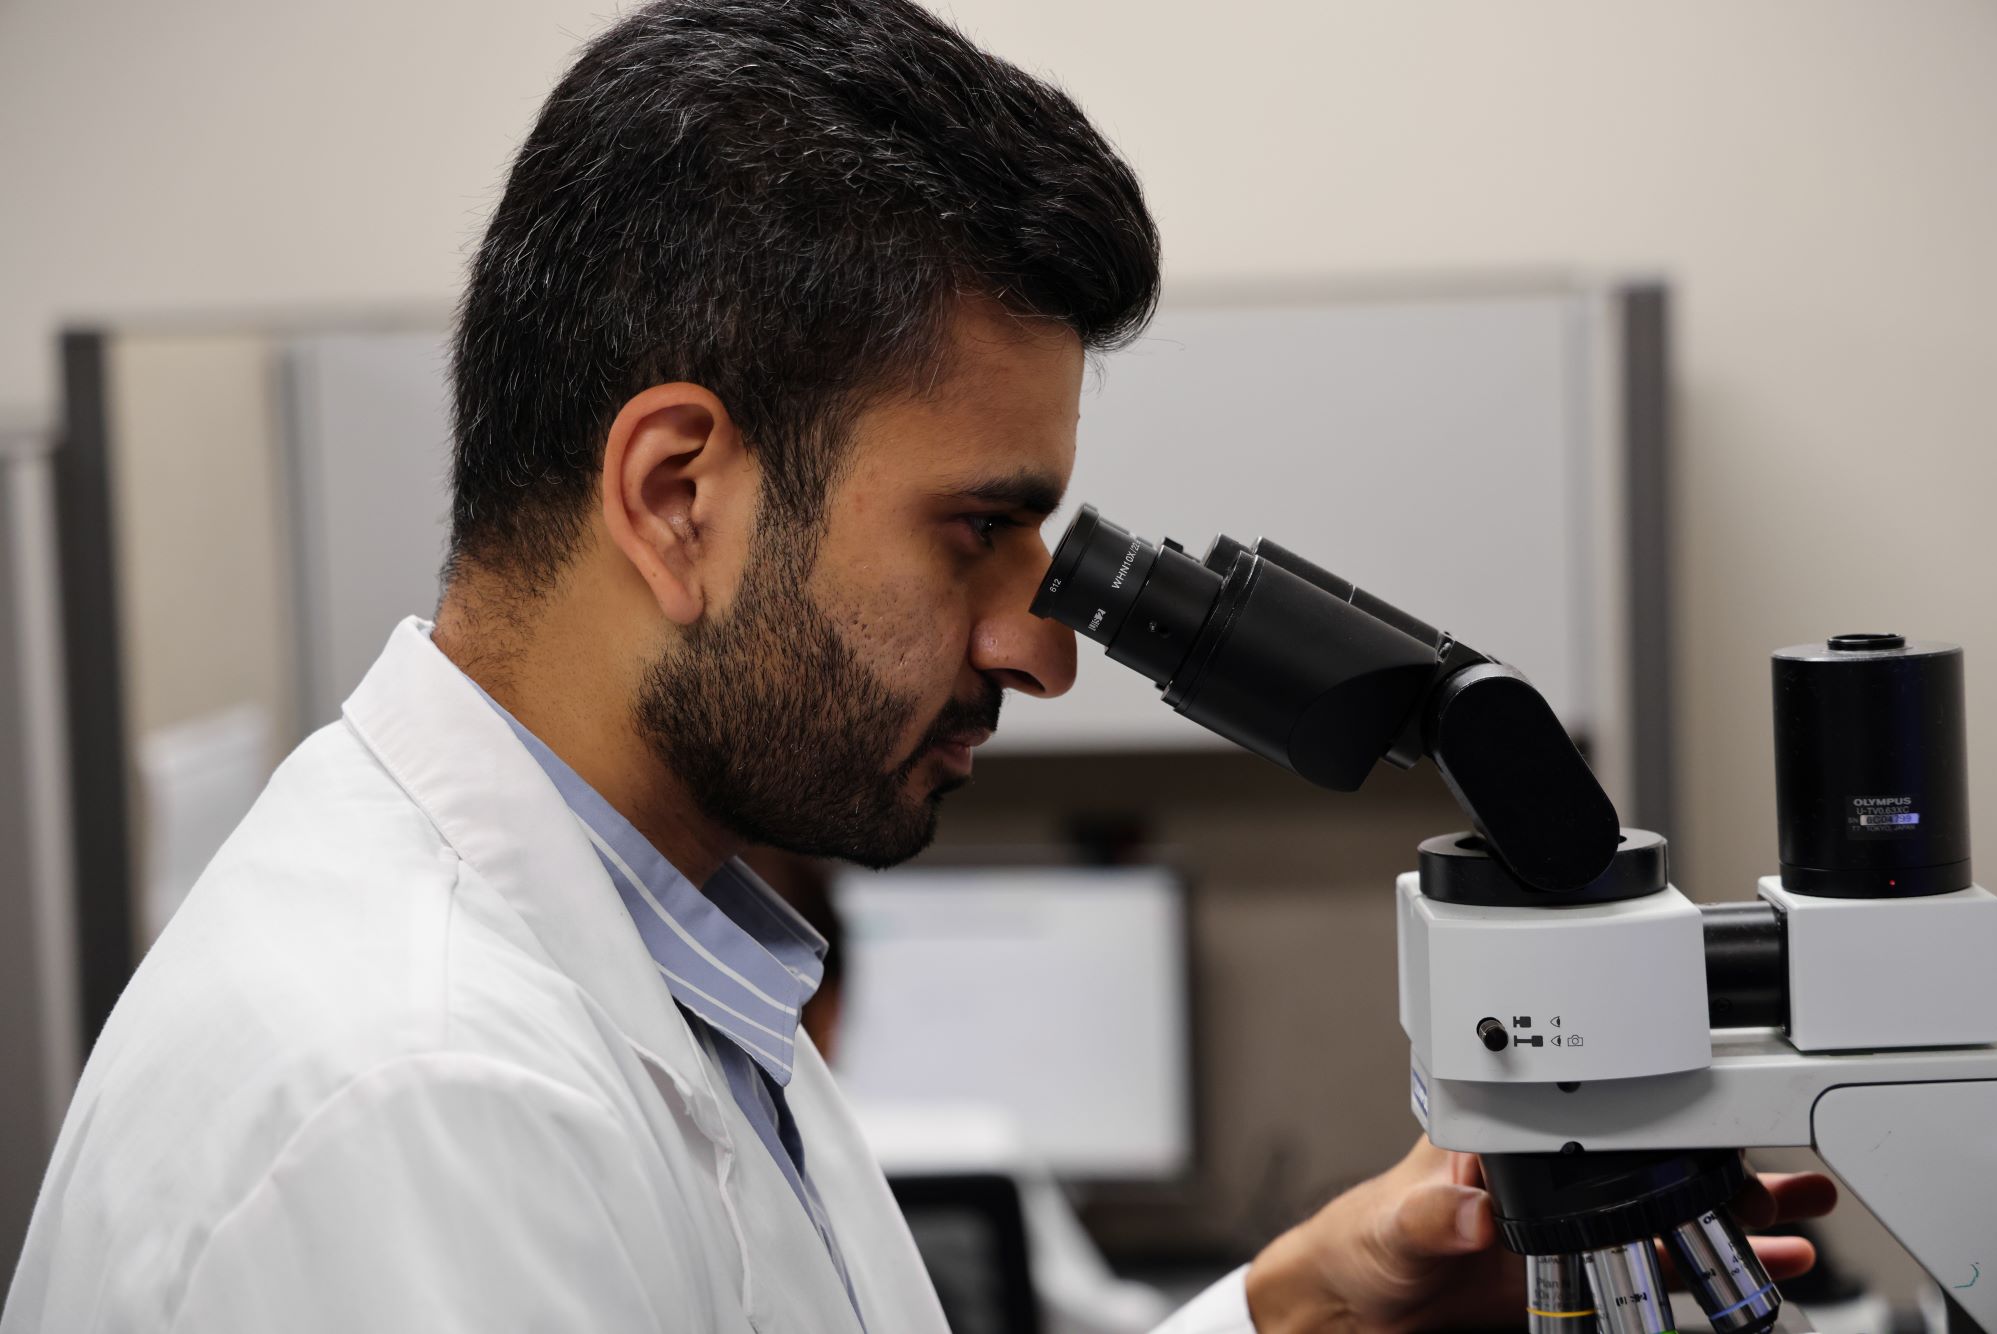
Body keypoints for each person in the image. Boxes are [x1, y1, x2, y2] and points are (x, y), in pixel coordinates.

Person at [1, 2, 1834, 1330]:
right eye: (978, 529)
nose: (1042, 647)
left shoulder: (661, 962)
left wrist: (1299, 1309)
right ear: (677, 491)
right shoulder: (420, 1097)